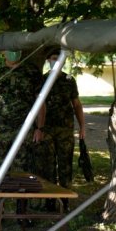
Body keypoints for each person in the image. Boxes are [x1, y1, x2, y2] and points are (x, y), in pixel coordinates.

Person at [0, 50, 44, 226]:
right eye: (10, 49)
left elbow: (40, 100)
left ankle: (22, 213)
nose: (13, 52)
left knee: (23, 171)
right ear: (3, 52)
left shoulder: (31, 72)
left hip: (25, 130)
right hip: (1, 129)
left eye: (17, 49)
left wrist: (40, 127)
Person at [41, 50, 85, 211]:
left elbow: (77, 104)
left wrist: (82, 126)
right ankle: (50, 201)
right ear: (48, 60)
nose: (57, 61)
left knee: (65, 166)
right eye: (53, 58)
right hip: (46, 130)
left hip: (65, 130)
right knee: (48, 167)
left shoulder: (69, 80)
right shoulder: (42, 80)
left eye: (59, 58)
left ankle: (65, 201)